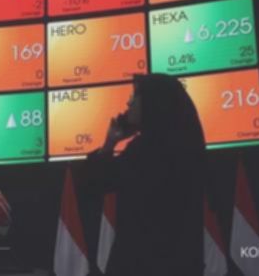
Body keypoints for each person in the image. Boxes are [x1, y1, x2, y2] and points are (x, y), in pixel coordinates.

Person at [82, 74, 209, 276]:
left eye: (134, 96)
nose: (128, 103)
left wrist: (110, 143)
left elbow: (96, 183)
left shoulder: (147, 151)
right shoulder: (184, 146)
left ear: (153, 102)